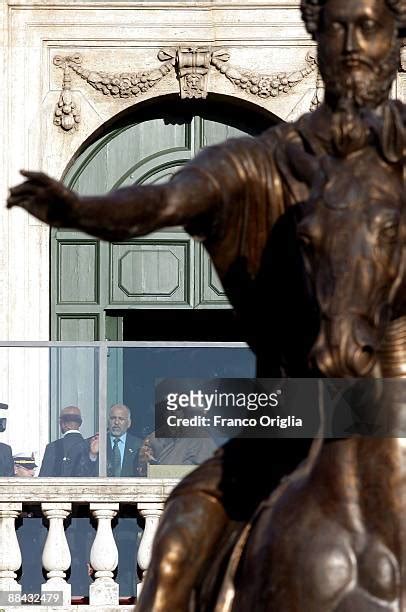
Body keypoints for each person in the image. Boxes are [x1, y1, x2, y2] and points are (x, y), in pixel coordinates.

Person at [7, 0, 406, 607]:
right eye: (337, 28)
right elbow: (168, 199)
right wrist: (83, 211)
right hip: (286, 418)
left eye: (369, 28)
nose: (353, 45)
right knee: (168, 564)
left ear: (395, 38)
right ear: (315, 37)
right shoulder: (262, 160)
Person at [39, 406, 94, 477]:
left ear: (63, 424)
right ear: (80, 423)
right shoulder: (91, 446)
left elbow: (44, 478)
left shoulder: (52, 447)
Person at [89, 404, 142, 476]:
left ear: (129, 423)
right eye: (113, 418)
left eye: (121, 419)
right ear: (108, 421)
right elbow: (84, 473)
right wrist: (93, 455)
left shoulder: (139, 445)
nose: (116, 422)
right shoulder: (96, 442)